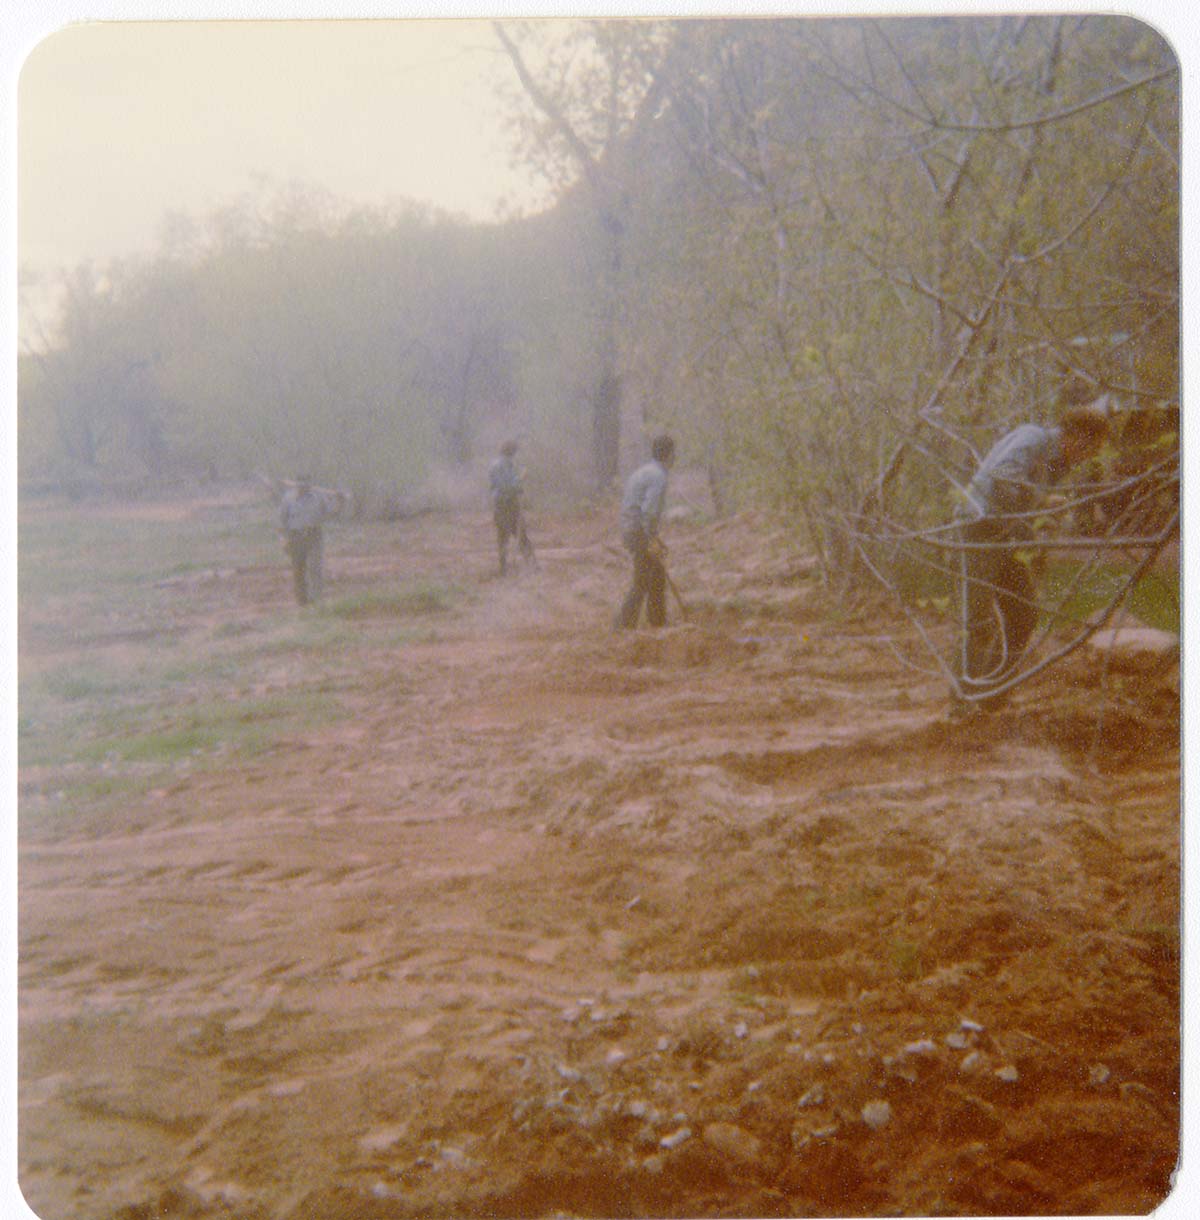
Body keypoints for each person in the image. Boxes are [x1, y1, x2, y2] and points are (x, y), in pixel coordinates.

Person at [957, 404, 1109, 700]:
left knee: (1023, 614)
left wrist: (1038, 527)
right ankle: (962, 705)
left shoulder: (1058, 462)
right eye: (1090, 448)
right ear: (1076, 437)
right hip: (979, 528)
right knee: (978, 620)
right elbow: (1003, 478)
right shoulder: (1033, 439)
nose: (1088, 456)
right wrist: (1042, 500)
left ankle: (992, 697)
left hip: (1007, 533)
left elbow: (1022, 504)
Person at [615, 433, 676, 630]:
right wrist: (651, 537)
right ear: (668, 454)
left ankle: (657, 622)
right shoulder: (659, 476)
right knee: (642, 579)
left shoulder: (643, 471)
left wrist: (654, 537)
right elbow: (649, 511)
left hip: (631, 528)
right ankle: (623, 626)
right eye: (674, 454)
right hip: (638, 530)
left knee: (657, 573)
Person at [279, 474, 338, 606]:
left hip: (314, 535)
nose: (303, 488)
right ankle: (302, 602)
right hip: (295, 537)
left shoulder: (318, 497)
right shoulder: (288, 498)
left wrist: (339, 500)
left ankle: (317, 601)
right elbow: (282, 521)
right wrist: (283, 539)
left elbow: (331, 513)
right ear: (296, 485)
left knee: (315, 568)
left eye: (305, 485)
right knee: (298, 570)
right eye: (300, 485)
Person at [488, 440, 535, 575]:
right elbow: (507, 487)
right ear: (513, 452)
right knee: (519, 534)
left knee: (503, 536)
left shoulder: (502, 465)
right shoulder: (503, 466)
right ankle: (530, 565)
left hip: (502, 504)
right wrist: (521, 478)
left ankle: (504, 568)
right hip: (506, 504)